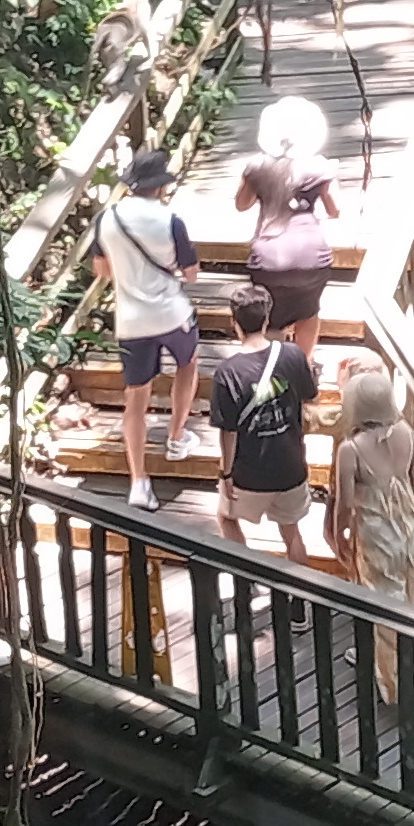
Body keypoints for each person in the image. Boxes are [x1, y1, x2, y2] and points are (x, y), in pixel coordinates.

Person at [90, 147, 201, 508]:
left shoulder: (107, 219)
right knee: (189, 363)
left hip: (131, 319)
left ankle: (138, 481)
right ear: (161, 186)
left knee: (135, 397)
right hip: (171, 313)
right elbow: (192, 274)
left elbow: (101, 270)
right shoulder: (172, 220)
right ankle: (176, 435)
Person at [328, 366, 414, 706]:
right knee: (408, 597)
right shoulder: (405, 431)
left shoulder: (351, 449)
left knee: (385, 607)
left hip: (376, 534)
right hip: (408, 525)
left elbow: (344, 503)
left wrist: (339, 533)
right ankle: (383, 661)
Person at [205, 279, 320, 550]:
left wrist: (226, 473)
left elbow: (228, 431)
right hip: (290, 466)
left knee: (226, 518)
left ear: (235, 322)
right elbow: (310, 396)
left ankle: (247, 580)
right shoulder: (293, 355)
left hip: (249, 472)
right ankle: (299, 589)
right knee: (292, 533)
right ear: (267, 319)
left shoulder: (228, 372)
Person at [237, 131, 340, 358]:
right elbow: (335, 209)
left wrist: (254, 183)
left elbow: (242, 204)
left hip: (268, 256)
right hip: (311, 255)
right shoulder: (319, 166)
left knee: (268, 314)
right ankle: (302, 365)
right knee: (309, 312)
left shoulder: (258, 166)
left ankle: (269, 366)